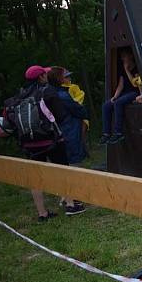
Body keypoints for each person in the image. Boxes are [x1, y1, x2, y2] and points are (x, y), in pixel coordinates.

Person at [9, 66, 68, 220]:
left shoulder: (19, 96)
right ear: (41, 77)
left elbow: (11, 120)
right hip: (51, 139)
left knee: (35, 177)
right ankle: (71, 204)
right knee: (63, 170)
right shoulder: (47, 92)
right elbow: (61, 115)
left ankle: (42, 213)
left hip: (29, 143)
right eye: (45, 74)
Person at [47, 67, 88, 215]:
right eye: (65, 76)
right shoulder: (62, 95)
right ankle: (74, 200)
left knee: (64, 165)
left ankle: (68, 197)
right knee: (74, 164)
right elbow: (79, 110)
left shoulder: (47, 93)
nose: (68, 79)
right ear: (59, 78)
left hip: (56, 134)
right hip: (69, 131)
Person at [100, 49, 142, 145]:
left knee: (119, 103)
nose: (122, 59)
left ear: (130, 56)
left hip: (135, 92)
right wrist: (114, 96)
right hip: (125, 92)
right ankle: (106, 133)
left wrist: (127, 70)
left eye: (124, 56)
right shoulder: (122, 69)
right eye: (121, 57)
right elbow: (121, 85)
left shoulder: (136, 68)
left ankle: (118, 132)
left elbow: (135, 84)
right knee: (106, 105)